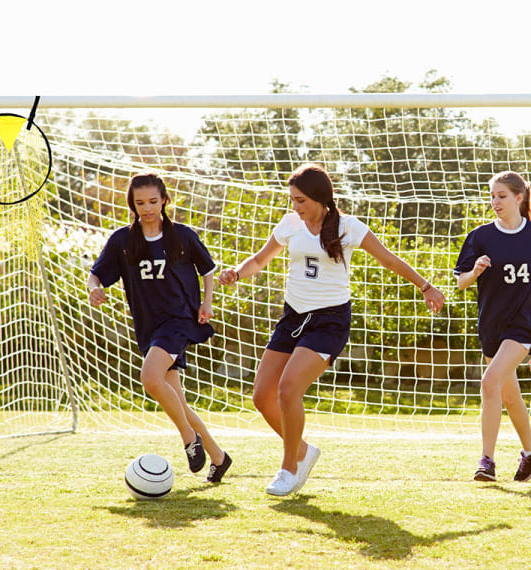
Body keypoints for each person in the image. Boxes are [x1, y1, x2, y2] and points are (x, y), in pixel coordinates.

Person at [219, 164, 445, 496]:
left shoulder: (348, 227)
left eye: (301, 200)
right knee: (261, 396)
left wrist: (426, 287)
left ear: (321, 198)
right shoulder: (290, 224)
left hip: (329, 321)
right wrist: (236, 272)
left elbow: (389, 259)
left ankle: (289, 469)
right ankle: (303, 451)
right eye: (293, 200)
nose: (296, 207)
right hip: (292, 318)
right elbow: (259, 259)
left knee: (288, 389)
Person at [88, 172, 232, 483]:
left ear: (164, 200)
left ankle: (189, 440)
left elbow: (208, 270)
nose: (147, 207)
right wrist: (94, 289)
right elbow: (96, 274)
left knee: (150, 378)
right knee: (176, 398)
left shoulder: (181, 235)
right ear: (133, 204)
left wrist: (207, 304)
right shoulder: (122, 240)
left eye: (153, 201)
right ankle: (219, 457)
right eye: (140, 202)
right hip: (148, 327)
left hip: (179, 320)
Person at [454, 170, 531, 483]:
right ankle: (529, 453)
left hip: (523, 326)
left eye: (501, 196)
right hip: (491, 326)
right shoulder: (481, 236)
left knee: (489, 382)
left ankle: (486, 461)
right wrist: (475, 271)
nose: (495, 202)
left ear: (518, 198)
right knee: (509, 397)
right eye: (492, 196)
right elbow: (460, 282)